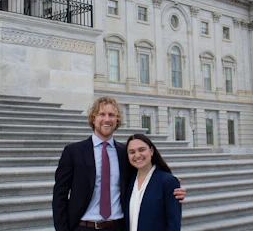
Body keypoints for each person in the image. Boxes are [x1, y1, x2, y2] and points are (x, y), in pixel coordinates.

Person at [52, 96, 186, 231]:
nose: (107, 119)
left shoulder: (125, 153)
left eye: (111, 115)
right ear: (93, 118)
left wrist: (172, 189)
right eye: (102, 114)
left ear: (117, 120)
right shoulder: (73, 152)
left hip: (117, 226)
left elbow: (143, 179)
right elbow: (59, 195)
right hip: (84, 226)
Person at [126, 134, 182, 231]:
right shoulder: (129, 182)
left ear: (151, 151)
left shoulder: (168, 181)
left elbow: (173, 224)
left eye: (141, 150)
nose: (137, 155)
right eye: (132, 152)